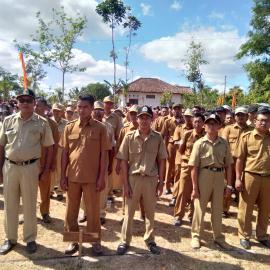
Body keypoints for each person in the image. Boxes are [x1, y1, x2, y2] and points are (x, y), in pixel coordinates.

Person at [0, 89, 54, 254]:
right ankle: (10, 238)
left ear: (34, 103)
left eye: (28, 100)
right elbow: (1, 146)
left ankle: (30, 238)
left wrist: (45, 170)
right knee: (10, 203)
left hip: (31, 168)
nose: (24, 103)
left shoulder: (42, 122)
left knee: (30, 204)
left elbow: (50, 147)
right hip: (10, 167)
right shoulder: (8, 121)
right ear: (17, 103)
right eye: (21, 100)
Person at [61, 95, 110, 256]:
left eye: (85, 107)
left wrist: (102, 177)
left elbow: (104, 155)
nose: (81, 110)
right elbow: (65, 154)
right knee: (71, 212)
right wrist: (62, 175)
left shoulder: (100, 128)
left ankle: (94, 241)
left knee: (93, 212)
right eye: (79, 107)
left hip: (92, 179)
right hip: (72, 178)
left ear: (91, 109)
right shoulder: (69, 127)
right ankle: (72, 240)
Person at [116, 106, 167, 255]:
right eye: (141, 117)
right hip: (133, 179)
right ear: (136, 119)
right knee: (129, 212)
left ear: (152, 120)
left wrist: (161, 182)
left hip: (151, 180)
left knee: (150, 213)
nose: (144, 120)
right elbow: (124, 161)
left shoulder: (157, 137)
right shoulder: (129, 136)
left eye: (147, 117)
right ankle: (124, 241)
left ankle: (150, 240)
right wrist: (125, 184)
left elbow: (162, 161)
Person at [189, 113, 233, 249]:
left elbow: (228, 166)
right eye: (208, 123)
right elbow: (193, 167)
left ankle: (218, 237)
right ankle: (196, 236)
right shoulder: (199, 143)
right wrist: (195, 188)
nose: (211, 126)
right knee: (199, 208)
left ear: (220, 126)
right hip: (204, 176)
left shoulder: (224, 143)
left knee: (217, 209)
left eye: (214, 123)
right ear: (204, 125)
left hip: (219, 177)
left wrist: (229, 185)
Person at [235, 107, 270, 250]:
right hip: (250, 176)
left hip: (268, 178)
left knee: (265, 209)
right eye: (261, 120)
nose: (264, 123)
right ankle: (244, 235)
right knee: (246, 208)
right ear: (255, 121)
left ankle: (262, 235)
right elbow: (239, 160)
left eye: (267, 121)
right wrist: (238, 178)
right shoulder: (246, 137)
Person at [79, 101, 114, 225]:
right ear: (92, 111)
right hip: (88, 163)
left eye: (101, 110)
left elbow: (112, 147)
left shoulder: (108, 127)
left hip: (103, 162)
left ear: (104, 112)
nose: (98, 112)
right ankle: (86, 213)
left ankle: (101, 214)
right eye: (96, 110)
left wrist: (110, 165)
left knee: (102, 191)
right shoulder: (85, 125)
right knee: (85, 188)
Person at [173, 113, 205, 226]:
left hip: (201, 168)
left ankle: (192, 215)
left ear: (203, 123)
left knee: (196, 192)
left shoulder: (206, 136)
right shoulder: (187, 134)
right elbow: (180, 150)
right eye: (195, 121)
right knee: (182, 191)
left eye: (199, 121)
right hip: (187, 166)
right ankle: (178, 215)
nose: (197, 124)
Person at [221, 107, 253, 218]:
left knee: (243, 186)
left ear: (247, 117)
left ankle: (242, 210)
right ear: (235, 117)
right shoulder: (228, 129)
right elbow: (224, 144)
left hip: (246, 162)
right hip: (230, 161)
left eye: (243, 115)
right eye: (238, 115)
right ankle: (224, 209)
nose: (240, 117)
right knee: (227, 185)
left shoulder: (252, 130)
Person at [35, 98, 59, 223]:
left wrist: (53, 162)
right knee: (28, 190)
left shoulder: (52, 124)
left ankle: (45, 212)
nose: (35, 108)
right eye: (35, 105)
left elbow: (54, 145)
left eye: (39, 106)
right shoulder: (29, 122)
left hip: (45, 163)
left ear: (45, 108)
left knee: (45, 191)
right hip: (31, 163)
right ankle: (29, 213)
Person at [171, 109, 193, 207]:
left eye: (190, 116)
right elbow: (175, 142)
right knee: (178, 178)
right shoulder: (179, 128)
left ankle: (187, 199)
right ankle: (174, 197)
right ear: (183, 117)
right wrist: (182, 143)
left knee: (190, 181)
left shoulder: (196, 129)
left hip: (192, 160)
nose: (188, 118)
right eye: (186, 116)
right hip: (180, 158)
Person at [103, 95, 123, 202]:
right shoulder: (97, 114)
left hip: (111, 148)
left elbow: (118, 134)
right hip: (98, 149)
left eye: (111, 103)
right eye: (107, 103)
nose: (109, 105)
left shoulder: (116, 118)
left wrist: (117, 148)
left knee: (109, 171)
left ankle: (109, 194)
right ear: (103, 103)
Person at [161, 104, 183, 195]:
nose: (177, 111)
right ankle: (167, 187)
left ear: (181, 110)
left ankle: (178, 187)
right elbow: (164, 135)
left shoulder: (184, 121)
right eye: (175, 109)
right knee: (169, 166)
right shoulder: (168, 121)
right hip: (171, 145)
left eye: (179, 109)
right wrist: (164, 148)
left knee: (178, 167)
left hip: (181, 146)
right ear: (172, 111)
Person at [50, 103, 68, 201]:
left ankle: (60, 192)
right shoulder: (48, 122)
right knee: (50, 171)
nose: (56, 112)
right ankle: (49, 190)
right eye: (54, 110)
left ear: (62, 112)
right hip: (50, 149)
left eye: (58, 111)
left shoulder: (66, 123)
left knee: (61, 170)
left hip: (61, 150)